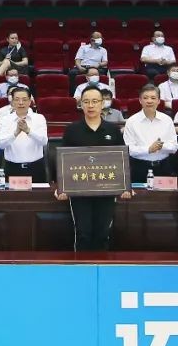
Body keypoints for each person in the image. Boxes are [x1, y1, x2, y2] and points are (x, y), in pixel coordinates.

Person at [56, 86, 132, 251]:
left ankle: (101, 266)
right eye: (86, 102)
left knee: (103, 233)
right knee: (83, 233)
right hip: (79, 191)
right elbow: (63, 160)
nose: (90, 105)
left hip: (106, 190)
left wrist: (126, 186)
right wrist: (61, 187)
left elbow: (121, 159)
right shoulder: (72, 130)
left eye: (95, 101)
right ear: (81, 104)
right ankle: (82, 266)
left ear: (102, 103)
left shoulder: (112, 130)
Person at [123, 85, 178, 183]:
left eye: (153, 98)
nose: (149, 101)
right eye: (145, 98)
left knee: (165, 193)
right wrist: (149, 149)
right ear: (140, 100)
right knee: (139, 193)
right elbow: (128, 149)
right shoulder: (131, 121)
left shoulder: (167, 120)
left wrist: (161, 146)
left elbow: (174, 147)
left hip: (163, 167)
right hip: (139, 167)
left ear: (159, 101)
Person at [0, 87, 49, 183]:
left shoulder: (39, 118)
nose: (21, 103)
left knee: (38, 193)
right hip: (12, 168)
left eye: (24, 99)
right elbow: (0, 144)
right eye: (17, 99)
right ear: (12, 102)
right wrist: (15, 133)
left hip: (35, 168)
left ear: (29, 101)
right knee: (12, 193)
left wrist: (28, 131)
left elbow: (44, 141)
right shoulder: (5, 120)